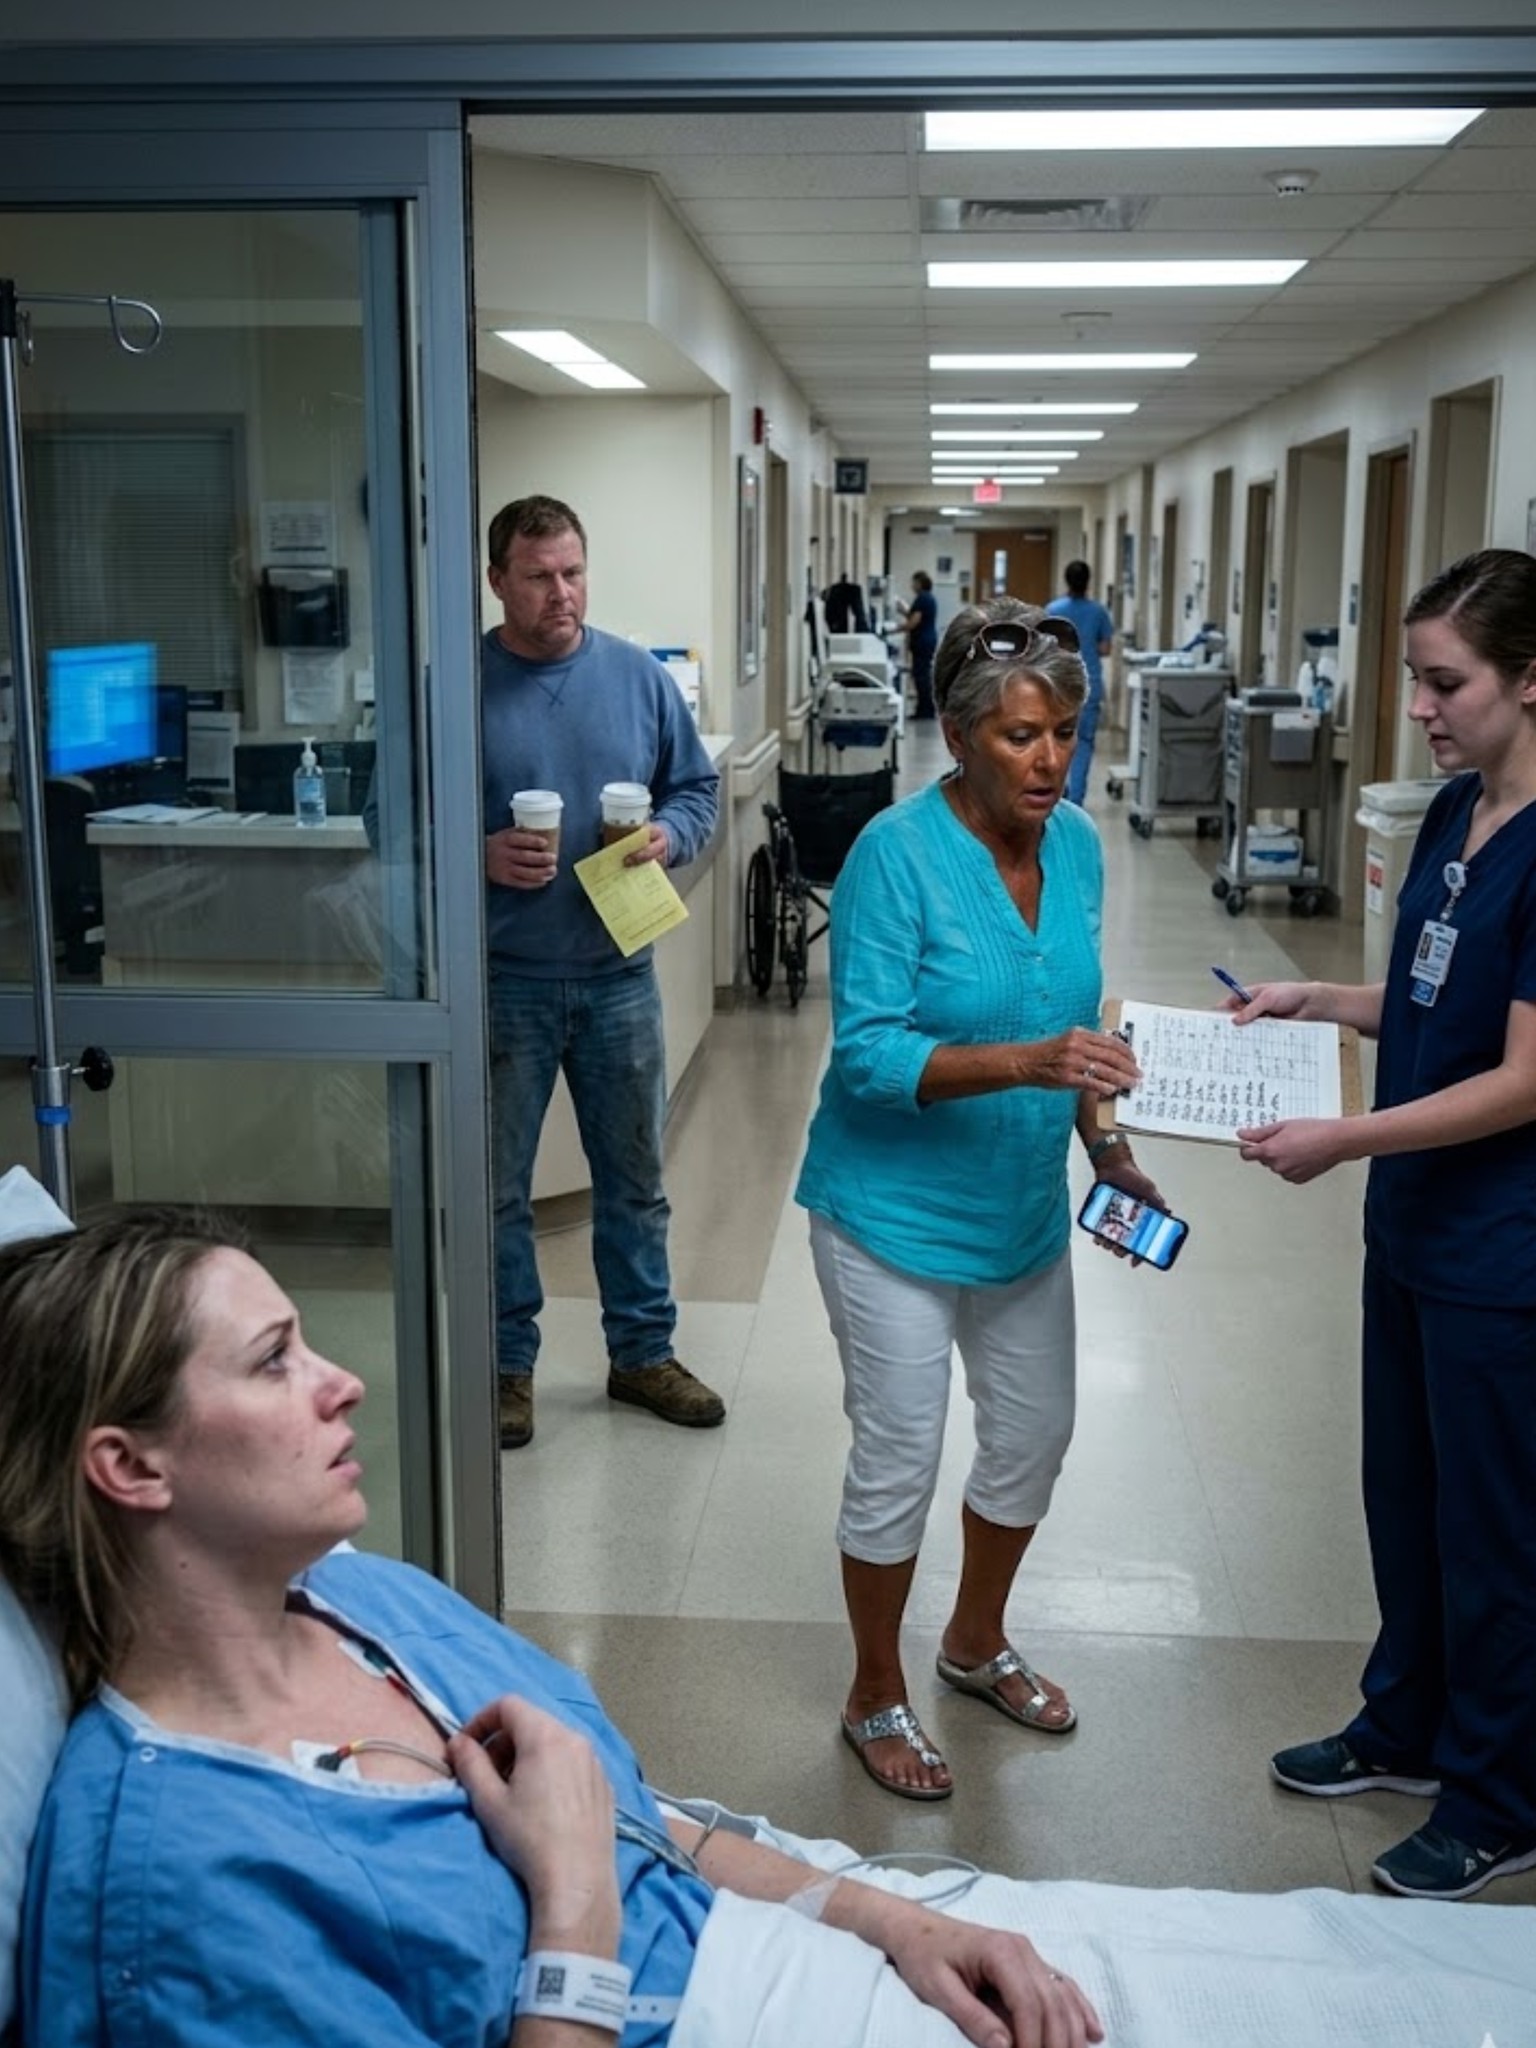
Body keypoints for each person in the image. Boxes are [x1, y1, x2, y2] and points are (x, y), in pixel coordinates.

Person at [0, 1209, 1103, 2048]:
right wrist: (572, 1913)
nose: (344, 1383)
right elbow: (589, 1853)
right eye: (273, 1358)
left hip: (801, 1944)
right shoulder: (178, 1896)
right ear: (130, 1466)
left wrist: (894, 1920)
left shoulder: (371, 1606)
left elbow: (641, 1827)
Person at [794, 597, 1164, 1801]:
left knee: (1035, 1433)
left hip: (1020, 1212)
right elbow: (868, 1055)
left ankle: (973, 1638)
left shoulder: (1080, 846)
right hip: (887, 1217)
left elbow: (1079, 1020)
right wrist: (1029, 1061)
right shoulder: (894, 855)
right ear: (958, 738)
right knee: (899, 1453)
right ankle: (873, 1688)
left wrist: (1106, 1145)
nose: (1049, 759)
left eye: (1063, 731)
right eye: (1019, 735)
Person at [1233, 548, 1536, 1903]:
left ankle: (1500, 1796)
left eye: (1445, 683)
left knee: (1492, 1528)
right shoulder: (1458, 810)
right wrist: (1323, 1002)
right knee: (1402, 1494)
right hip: (1411, 1228)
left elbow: (1522, 1079)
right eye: (1417, 678)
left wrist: (1344, 1135)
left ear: (1532, 679)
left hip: (1500, 1251)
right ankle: (1404, 1724)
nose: (1420, 707)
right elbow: (1426, 997)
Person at [482, 495, 724, 1449]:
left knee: (635, 1181)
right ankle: (507, 1367)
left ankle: (642, 1355)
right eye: (539, 576)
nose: (562, 593)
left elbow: (696, 790)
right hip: (504, 981)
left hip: (619, 974)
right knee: (497, 1190)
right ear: (497, 581)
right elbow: (393, 821)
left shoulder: (636, 677)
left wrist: (670, 834)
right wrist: (478, 853)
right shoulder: (454, 685)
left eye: (573, 572)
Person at [1044, 563, 1115, 808]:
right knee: (1083, 742)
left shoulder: (1053, 610)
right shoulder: (1098, 612)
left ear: (1066, 580)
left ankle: (1056, 793)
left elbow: (1043, 647)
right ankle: (1076, 800)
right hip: (1088, 683)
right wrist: (1088, 646)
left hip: (1058, 684)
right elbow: (1106, 648)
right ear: (1088, 581)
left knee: (1055, 740)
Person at [904, 571, 939, 719]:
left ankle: (924, 710)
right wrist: (904, 612)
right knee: (924, 674)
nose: (912, 586)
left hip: (922, 641)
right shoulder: (929, 598)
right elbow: (917, 617)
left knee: (920, 675)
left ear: (919, 583)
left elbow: (914, 622)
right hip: (928, 639)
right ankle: (926, 708)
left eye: (914, 582)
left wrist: (894, 629)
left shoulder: (922, 598)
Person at [823, 572, 869, 636]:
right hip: (839, 622)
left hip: (838, 622)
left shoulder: (835, 590)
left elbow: (828, 613)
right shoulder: (851, 590)